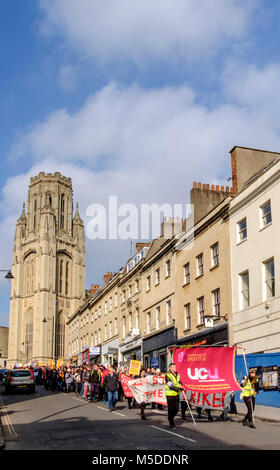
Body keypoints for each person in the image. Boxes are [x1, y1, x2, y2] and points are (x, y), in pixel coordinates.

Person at [165, 362, 184, 429]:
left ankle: (170, 417)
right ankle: (171, 422)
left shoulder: (177, 374)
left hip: (176, 394)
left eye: (175, 367)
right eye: (173, 367)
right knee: (171, 409)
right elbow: (170, 386)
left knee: (176, 409)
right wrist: (179, 388)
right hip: (170, 395)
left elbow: (179, 381)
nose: (175, 368)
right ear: (170, 368)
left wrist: (181, 385)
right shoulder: (168, 375)